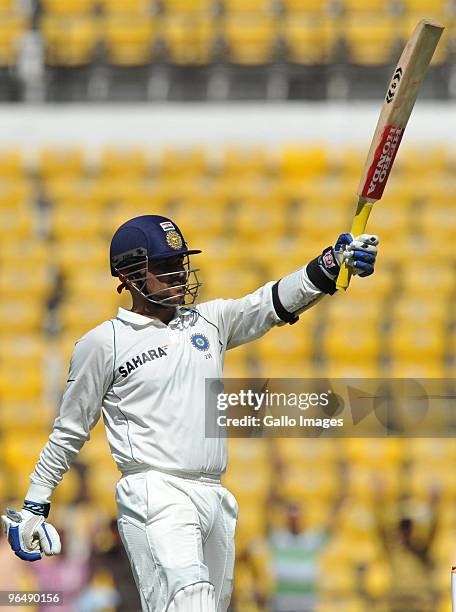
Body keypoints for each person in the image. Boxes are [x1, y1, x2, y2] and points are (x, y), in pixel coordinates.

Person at [2, 215, 379, 612]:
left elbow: (270, 302)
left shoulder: (209, 321)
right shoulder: (103, 344)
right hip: (155, 492)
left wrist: (330, 265)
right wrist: (35, 505)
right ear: (130, 274)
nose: (179, 276)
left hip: (214, 494)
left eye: (180, 263)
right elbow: (69, 431)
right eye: (165, 267)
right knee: (191, 601)